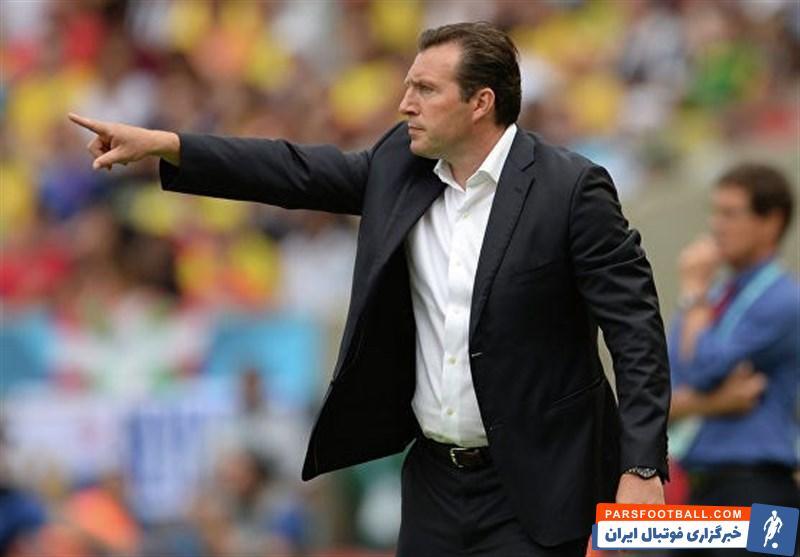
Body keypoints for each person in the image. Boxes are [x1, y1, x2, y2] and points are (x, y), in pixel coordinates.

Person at [68, 22, 670, 557]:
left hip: (540, 482)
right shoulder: (399, 166)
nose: (405, 104)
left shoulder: (571, 190)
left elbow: (635, 331)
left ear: (481, 102)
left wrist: (641, 467)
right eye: (408, 87)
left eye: (425, 90)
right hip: (435, 483)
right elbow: (295, 171)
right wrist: (171, 146)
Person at [668, 163, 799, 557]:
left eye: (730, 213)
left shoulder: (784, 299)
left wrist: (693, 293)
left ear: (771, 221)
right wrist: (713, 403)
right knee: (621, 532)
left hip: (760, 487)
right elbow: (662, 393)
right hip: (698, 487)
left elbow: (700, 370)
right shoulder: (713, 299)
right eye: (714, 212)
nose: (716, 225)